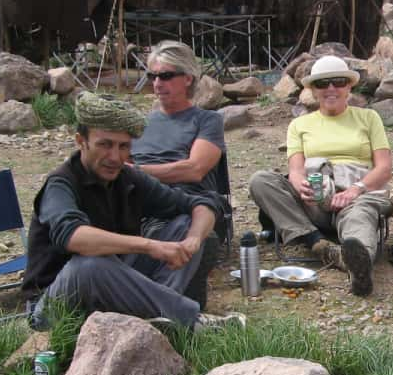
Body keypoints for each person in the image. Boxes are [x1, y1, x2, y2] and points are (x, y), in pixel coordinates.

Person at [22, 93, 236, 330]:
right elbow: (74, 237)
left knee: (184, 225)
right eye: (104, 145)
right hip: (54, 307)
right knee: (90, 267)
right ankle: (186, 320)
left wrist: (193, 239)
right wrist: (149, 246)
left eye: (123, 146)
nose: (115, 157)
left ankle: (158, 321)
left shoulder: (128, 177)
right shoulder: (61, 183)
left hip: (114, 288)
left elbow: (200, 204)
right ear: (81, 141)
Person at [248, 55, 393, 297]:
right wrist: (299, 185)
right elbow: (296, 169)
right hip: (315, 194)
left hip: (356, 193)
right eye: (322, 83)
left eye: (338, 82)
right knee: (261, 180)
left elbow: (383, 168)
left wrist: (355, 189)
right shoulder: (299, 125)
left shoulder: (368, 118)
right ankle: (317, 243)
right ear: (313, 90)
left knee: (360, 216)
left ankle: (358, 265)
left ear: (349, 86)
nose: (331, 88)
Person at [131, 40, 225, 198]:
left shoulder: (207, 120)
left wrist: (130, 172)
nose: (157, 83)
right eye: (152, 76)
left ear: (188, 79)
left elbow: (194, 170)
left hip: (184, 202)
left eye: (165, 76)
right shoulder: (137, 123)